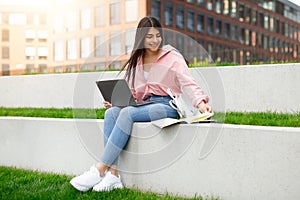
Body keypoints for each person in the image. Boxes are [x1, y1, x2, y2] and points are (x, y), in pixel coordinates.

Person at [70, 16, 212, 192]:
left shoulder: (172, 57)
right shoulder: (138, 59)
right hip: (144, 104)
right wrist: (117, 101)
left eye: (157, 35)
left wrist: (201, 103)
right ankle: (113, 175)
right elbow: (134, 93)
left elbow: (188, 83)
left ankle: (100, 169)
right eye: (149, 36)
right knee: (112, 113)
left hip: (167, 105)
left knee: (127, 114)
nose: (154, 40)